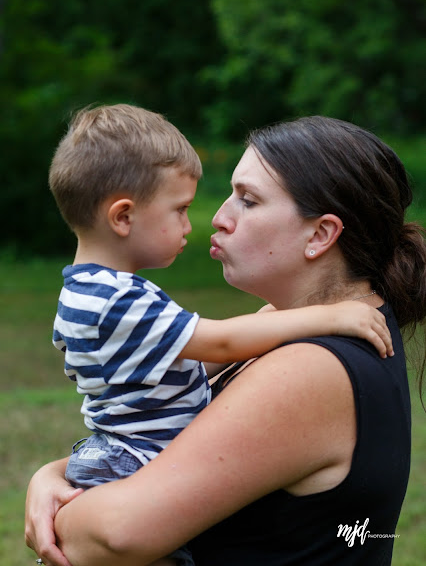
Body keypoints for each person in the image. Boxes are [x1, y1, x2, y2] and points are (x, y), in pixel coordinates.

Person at [26, 115, 426, 566]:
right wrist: (53, 476)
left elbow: (115, 535)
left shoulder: (309, 368)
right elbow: (175, 439)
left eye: (248, 201)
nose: (218, 218)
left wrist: (61, 510)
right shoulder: (297, 325)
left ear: (320, 234)